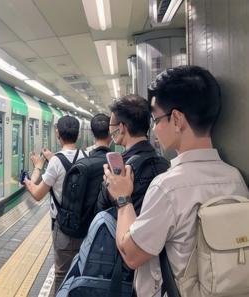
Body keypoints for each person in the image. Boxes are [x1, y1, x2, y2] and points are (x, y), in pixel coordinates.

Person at [104, 66, 249, 297]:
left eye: (156, 119)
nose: (154, 129)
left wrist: (123, 198)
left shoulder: (167, 187)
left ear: (177, 119)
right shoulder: (235, 179)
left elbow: (131, 254)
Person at [24, 115, 85, 294]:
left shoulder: (56, 162)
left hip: (62, 226)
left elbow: (37, 194)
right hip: (83, 225)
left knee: (61, 273)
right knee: (80, 270)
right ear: (78, 134)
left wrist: (36, 168)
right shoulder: (86, 155)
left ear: (58, 133)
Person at [96, 94, 169, 214]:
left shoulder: (117, 170)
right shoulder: (165, 164)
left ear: (121, 127)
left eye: (111, 124)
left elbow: (100, 209)